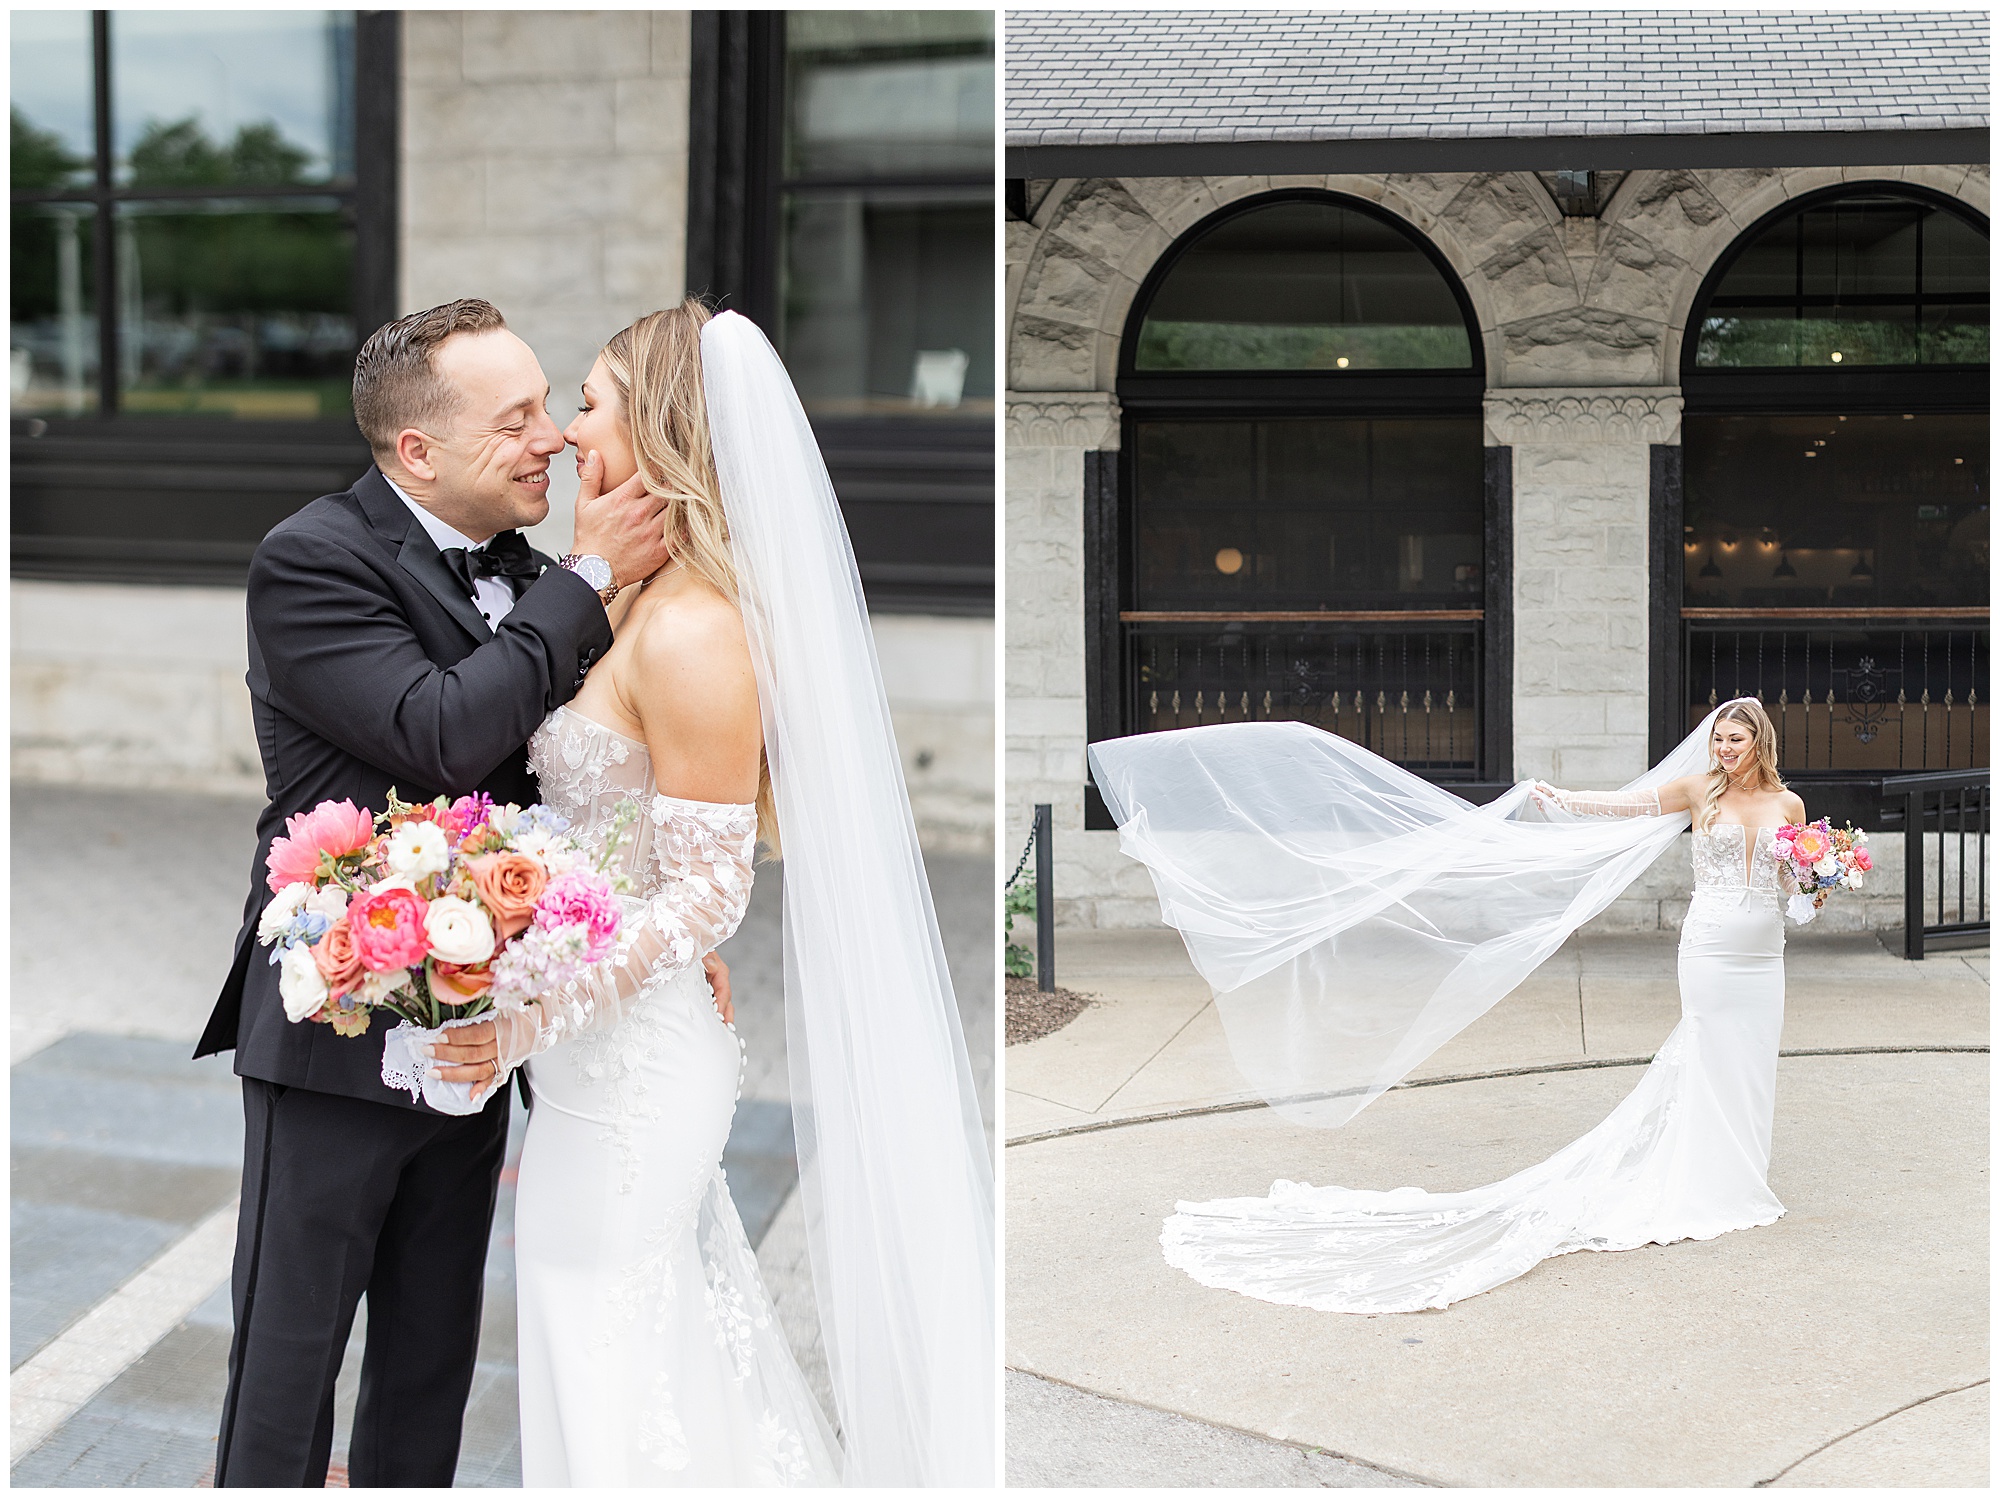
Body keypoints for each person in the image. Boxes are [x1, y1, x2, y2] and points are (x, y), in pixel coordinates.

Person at [426, 300, 995, 1484]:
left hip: (633, 1073)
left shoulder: (693, 631)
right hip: (590, 1056)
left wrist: (527, 1019)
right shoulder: (631, 600)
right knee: (618, 1349)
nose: (570, 434)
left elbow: (708, 893)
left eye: (590, 404)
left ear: (660, 429)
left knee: (610, 1350)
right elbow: (622, 837)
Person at [196, 298, 730, 1486]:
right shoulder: (313, 559)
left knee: (431, 1357)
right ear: (418, 450)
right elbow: (437, 734)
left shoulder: (539, 579)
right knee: (288, 1359)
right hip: (336, 1033)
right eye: (515, 418)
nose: (550, 439)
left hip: (484, 1028)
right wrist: (588, 577)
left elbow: (587, 785)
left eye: (551, 406)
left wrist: (662, 920)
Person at [1089, 697, 1809, 1315]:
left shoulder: (1788, 806)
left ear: (1761, 743)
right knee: (1705, 1048)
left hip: (1762, 951)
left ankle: (1740, 1173)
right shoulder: (1698, 792)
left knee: (1749, 1058)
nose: (1724, 748)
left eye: (1736, 739)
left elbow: (1794, 885)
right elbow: (1624, 805)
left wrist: (1818, 883)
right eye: (1719, 738)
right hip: (1709, 947)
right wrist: (1560, 798)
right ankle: (1704, 1178)